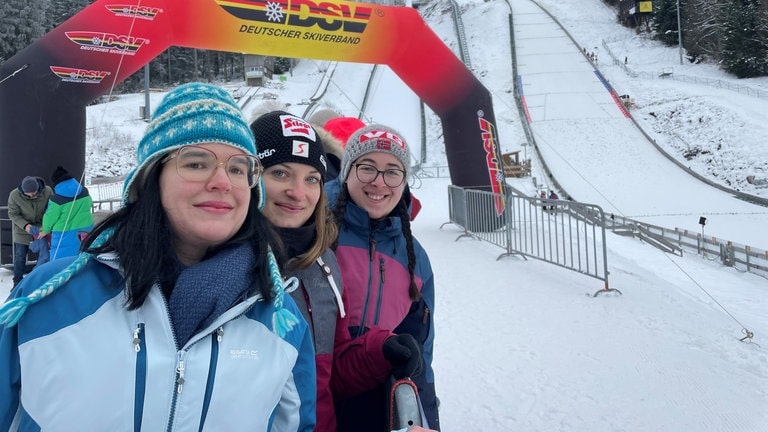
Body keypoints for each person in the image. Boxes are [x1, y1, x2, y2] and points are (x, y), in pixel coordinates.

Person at [0, 83, 316, 431]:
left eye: (239, 168)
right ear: (151, 178)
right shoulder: (48, 299)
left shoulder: (280, 319)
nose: (223, 182)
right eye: (197, 163)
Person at [250, 110, 422, 432]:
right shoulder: (228, 265)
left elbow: (327, 372)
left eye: (311, 178)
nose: (298, 192)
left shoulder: (323, 265)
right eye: (281, 174)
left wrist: (378, 351)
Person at [327, 124, 440, 431]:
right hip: (315, 397)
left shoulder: (415, 258)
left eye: (393, 172)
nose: (379, 182)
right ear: (347, 171)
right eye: (367, 168)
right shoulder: (315, 231)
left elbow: (420, 351)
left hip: (378, 405)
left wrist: (427, 414)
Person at [6, 176, 53, 287]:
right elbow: (13, 214)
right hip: (22, 231)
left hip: (41, 230)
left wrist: (45, 226)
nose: (32, 195)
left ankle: (39, 281)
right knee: (20, 257)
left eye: (34, 192)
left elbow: (51, 209)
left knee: (42, 256)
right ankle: (17, 282)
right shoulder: (14, 195)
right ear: (23, 191)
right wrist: (25, 225)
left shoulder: (48, 191)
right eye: (29, 194)